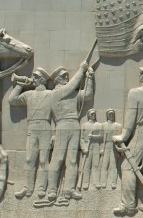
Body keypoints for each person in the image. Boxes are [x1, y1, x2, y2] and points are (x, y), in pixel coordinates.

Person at [112, 64, 143, 216]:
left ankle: (128, 205)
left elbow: (130, 120)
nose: (140, 75)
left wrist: (123, 137)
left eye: (142, 73)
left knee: (128, 167)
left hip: (141, 133)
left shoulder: (135, 93)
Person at [44, 62, 93, 206]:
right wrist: (81, 69)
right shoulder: (55, 93)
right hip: (62, 125)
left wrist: (90, 78)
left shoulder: (72, 93)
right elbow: (72, 85)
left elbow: (88, 95)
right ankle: (52, 190)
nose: (66, 77)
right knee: (58, 158)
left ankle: (69, 190)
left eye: (67, 75)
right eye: (63, 76)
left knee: (72, 160)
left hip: (74, 125)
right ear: (56, 80)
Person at [8, 67, 53, 200]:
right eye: (33, 76)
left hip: (45, 127)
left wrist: (55, 133)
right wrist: (19, 86)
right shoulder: (29, 94)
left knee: (44, 159)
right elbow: (12, 100)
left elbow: (57, 114)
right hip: (32, 127)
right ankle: (28, 187)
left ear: (42, 79)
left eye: (36, 77)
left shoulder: (51, 94)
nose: (33, 79)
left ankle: (41, 188)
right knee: (29, 159)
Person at [77, 108, 104, 192]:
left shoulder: (99, 125)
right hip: (87, 146)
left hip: (95, 145)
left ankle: (96, 181)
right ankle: (85, 182)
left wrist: (93, 137)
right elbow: (81, 138)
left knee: (96, 165)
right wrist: (83, 148)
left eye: (94, 114)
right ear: (88, 115)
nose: (93, 115)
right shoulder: (84, 125)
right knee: (86, 166)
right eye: (92, 114)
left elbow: (101, 137)